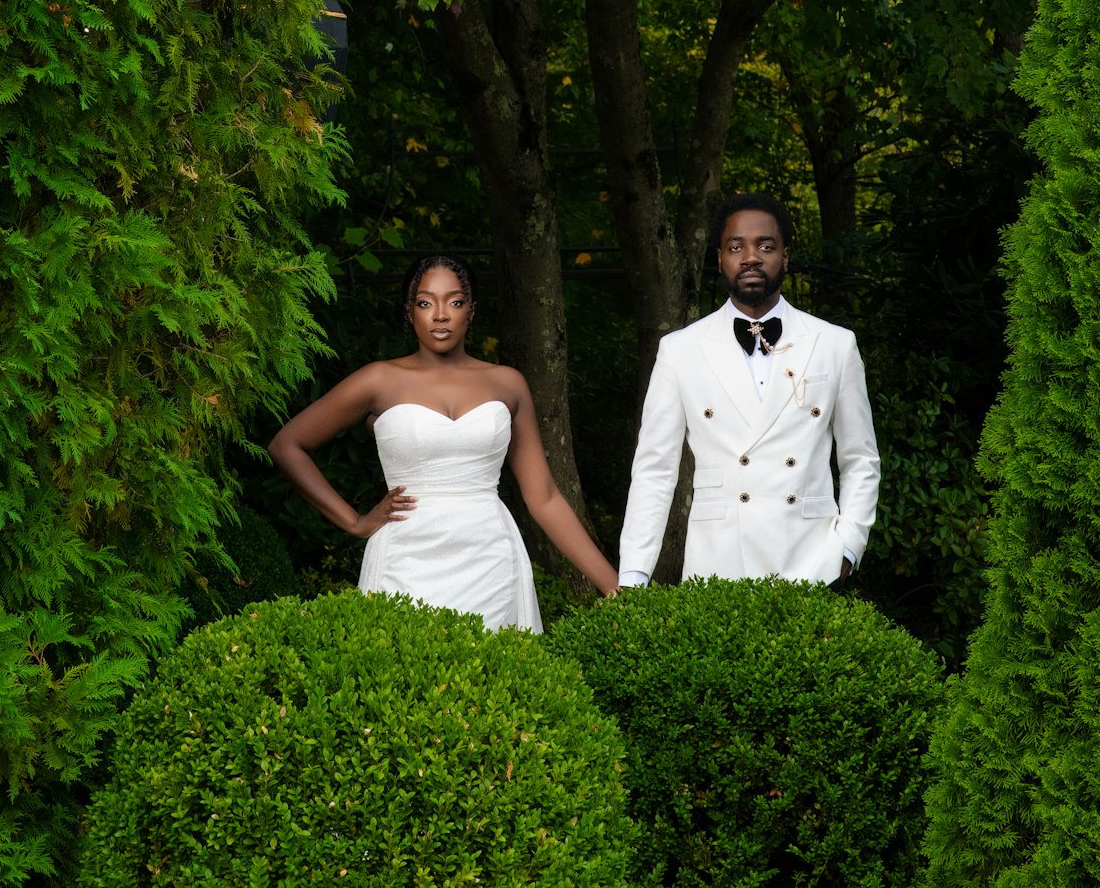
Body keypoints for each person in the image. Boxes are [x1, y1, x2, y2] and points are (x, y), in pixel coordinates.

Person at [267, 254, 619, 632]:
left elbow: (545, 497)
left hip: (491, 560)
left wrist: (614, 587)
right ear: (409, 312)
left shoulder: (507, 383)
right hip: (405, 559)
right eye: (425, 302)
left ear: (471, 311)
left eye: (454, 301)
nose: (440, 314)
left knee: (495, 683)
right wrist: (354, 522)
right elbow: (288, 445)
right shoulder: (378, 380)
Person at [617, 193, 880, 590]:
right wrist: (634, 576)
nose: (751, 257)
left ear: (786, 256)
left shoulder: (834, 345)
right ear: (720, 258)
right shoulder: (680, 350)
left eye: (766, 246)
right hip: (716, 566)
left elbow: (860, 459)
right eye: (736, 246)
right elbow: (654, 472)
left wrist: (847, 547)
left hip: (812, 563)